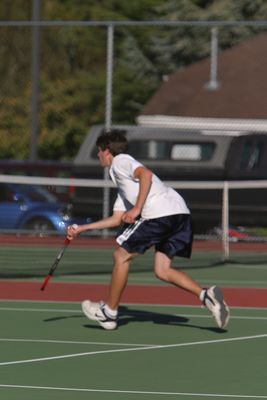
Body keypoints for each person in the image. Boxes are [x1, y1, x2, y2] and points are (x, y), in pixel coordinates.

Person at [67, 129, 230, 331]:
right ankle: (206, 296)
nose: (98, 155)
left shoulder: (120, 161)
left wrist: (137, 209)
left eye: (99, 151)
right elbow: (117, 218)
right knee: (162, 270)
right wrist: (83, 228)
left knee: (121, 256)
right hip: (180, 214)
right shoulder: (124, 184)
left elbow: (146, 174)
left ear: (107, 151)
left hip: (159, 214)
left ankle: (109, 313)